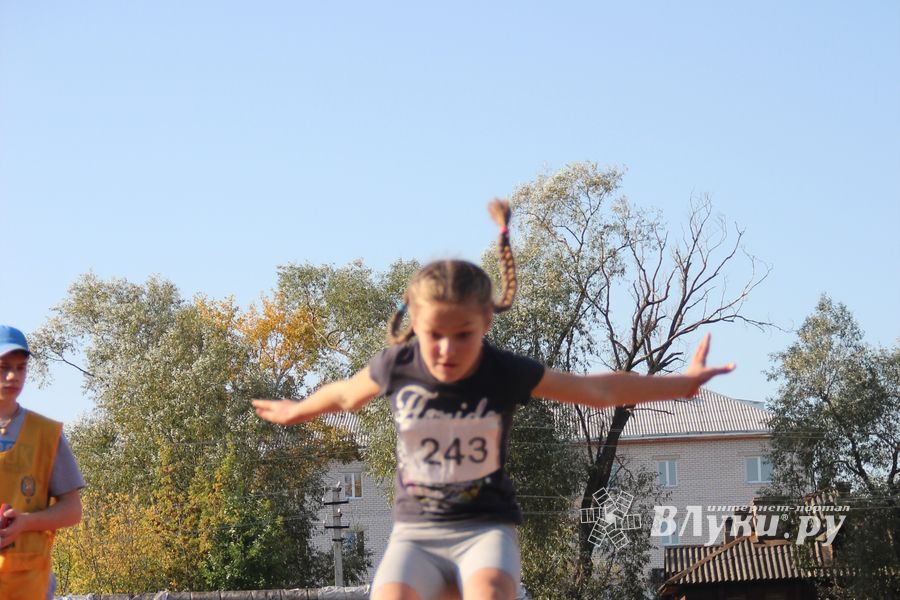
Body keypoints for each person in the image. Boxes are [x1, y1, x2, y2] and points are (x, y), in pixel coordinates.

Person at [253, 200, 735, 600]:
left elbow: (598, 390)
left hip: (484, 529)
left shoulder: (503, 371)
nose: (447, 349)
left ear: (486, 322)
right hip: (416, 533)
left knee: (489, 592)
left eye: (463, 334)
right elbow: (344, 395)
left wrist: (680, 385)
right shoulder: (397, 366)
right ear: (415, 325)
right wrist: (298, 409)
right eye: (434, 335)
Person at [0, 325, 85, 600]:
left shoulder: (46, 435)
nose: (13, 376)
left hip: (29, 587)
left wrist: (25, 522)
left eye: (20, 368)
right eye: (3, 367)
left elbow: (72, 510)